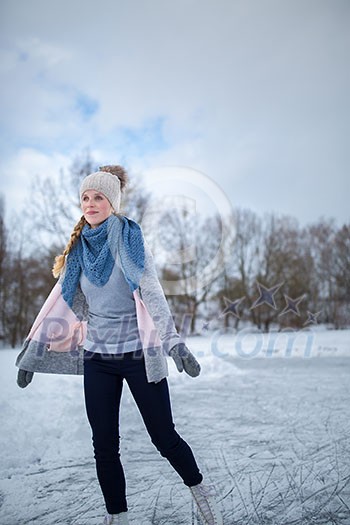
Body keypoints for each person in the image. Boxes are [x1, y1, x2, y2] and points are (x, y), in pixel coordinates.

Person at [16, 166, 223, 525]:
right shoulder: (77, 250)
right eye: (86, 197)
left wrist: (173, 342)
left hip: (137, 356)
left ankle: (201, 493)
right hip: (97, 358)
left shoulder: (129, 240)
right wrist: (33, 353)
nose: (91, 203)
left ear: (112, 202)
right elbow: (58, 302)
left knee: (164, 438)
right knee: (104, 447)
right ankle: (119, 517)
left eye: (99, 197)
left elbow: (153, 294)